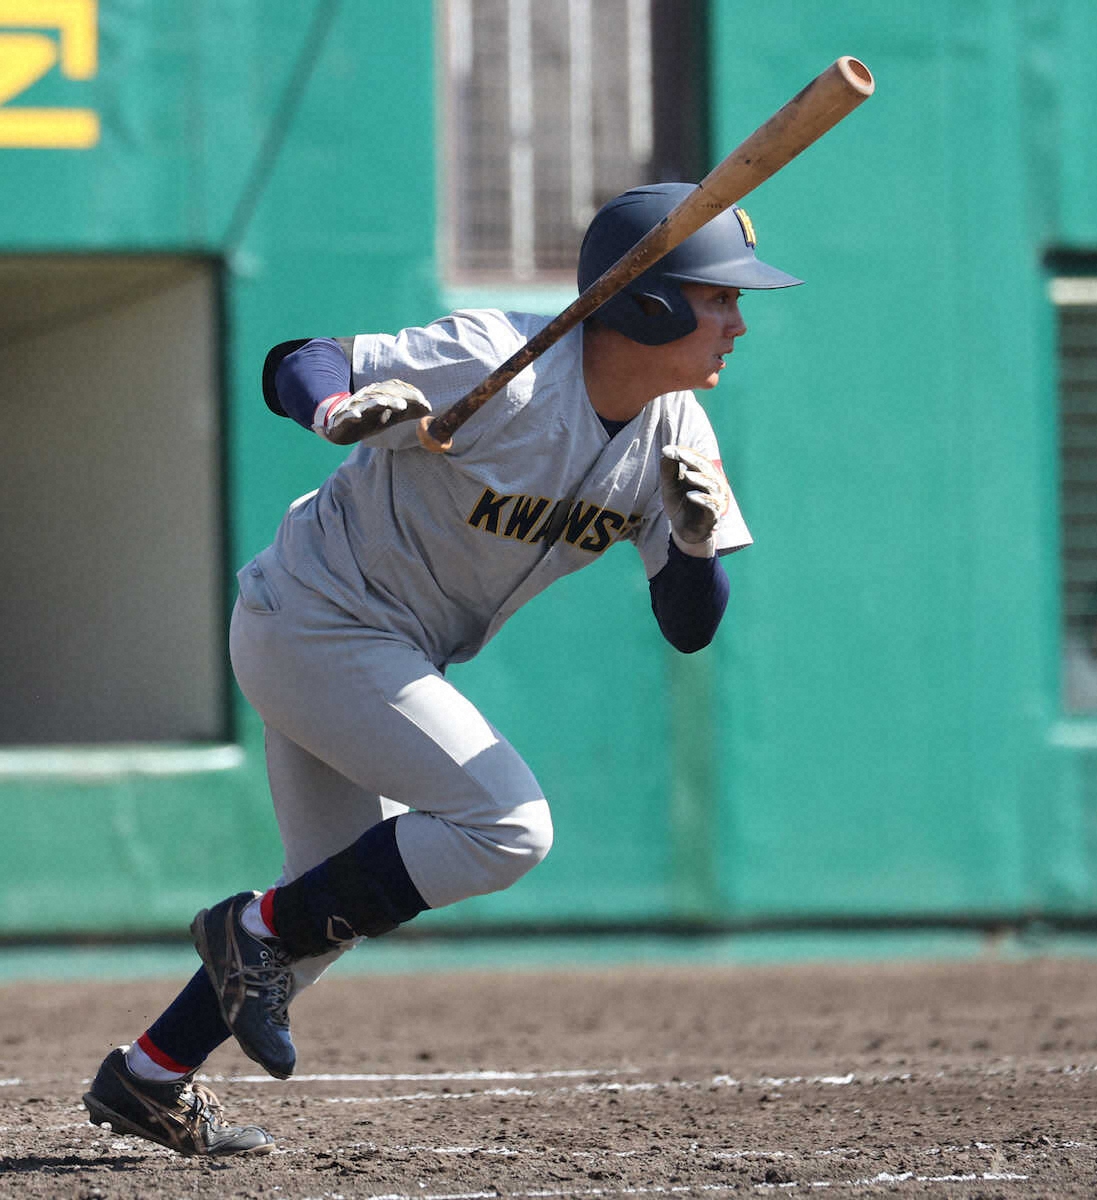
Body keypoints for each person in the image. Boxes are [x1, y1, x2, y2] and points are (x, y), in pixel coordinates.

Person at [82, 182, 802, 1156]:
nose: (735, 324)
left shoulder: (676, 434)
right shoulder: (505, 361)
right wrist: (338, 408)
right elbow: (296, 361)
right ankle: (248, 930)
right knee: (506, 825)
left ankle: (147, 1076)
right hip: (314, 621)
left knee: (323, 912)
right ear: (649, 301)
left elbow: (687, 628)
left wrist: (693, 542)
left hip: (384, 650)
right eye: (718, 298)